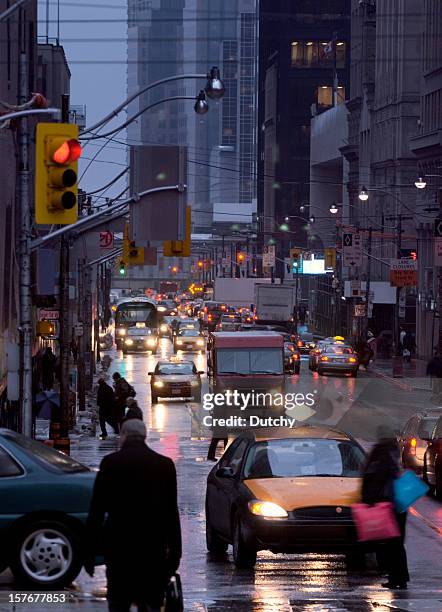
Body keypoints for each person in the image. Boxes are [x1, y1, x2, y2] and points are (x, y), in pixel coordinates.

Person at [85, 419, 182, 612]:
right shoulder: (164, 465)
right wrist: (175, 553)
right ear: (144, 436)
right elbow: (171, 512)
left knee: (119, 603)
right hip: (153, 549)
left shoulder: (111, 463)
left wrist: (89, 553)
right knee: (152, 603)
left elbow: (97, 510)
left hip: (119, 549)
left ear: (123, 436)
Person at [361, 425, 409, 589]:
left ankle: (397, 579)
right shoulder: (393, 450)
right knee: (397, 542)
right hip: (399, 502)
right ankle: (400, 578)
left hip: (387, 503)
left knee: (390, 543)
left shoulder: (382, 452)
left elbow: (377, 477)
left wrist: (368, 500)